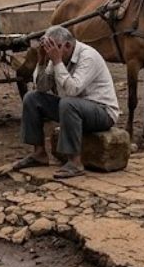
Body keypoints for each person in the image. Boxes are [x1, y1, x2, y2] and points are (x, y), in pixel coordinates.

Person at [10, 25, 119, 179]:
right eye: (48, 47)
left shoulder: (88, 56)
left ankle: (75, 162)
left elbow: (72, 90)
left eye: (53, 47)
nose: (50, 51)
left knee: (68, 103)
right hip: (73, 109)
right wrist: (41, 61)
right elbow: (41, 88)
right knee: (32, 98)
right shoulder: (57, 57)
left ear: (67, 46)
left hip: (102, 112)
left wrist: (56, 61)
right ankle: (39, 154)